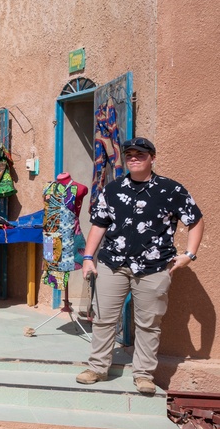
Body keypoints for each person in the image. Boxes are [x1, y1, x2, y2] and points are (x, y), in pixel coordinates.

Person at [75, 137, 204, 395]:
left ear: (152, 158)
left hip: (154, 266)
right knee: (103, 319)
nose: (134, 158)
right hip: (113, 263)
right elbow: (99, 225)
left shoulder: (171, 190)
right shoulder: (111, 189)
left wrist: (189, 254)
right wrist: (88, 258)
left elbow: (196, 220)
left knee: (148, 323)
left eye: (140, 154)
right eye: (130, 154)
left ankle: (143, 374)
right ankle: (98, 367)